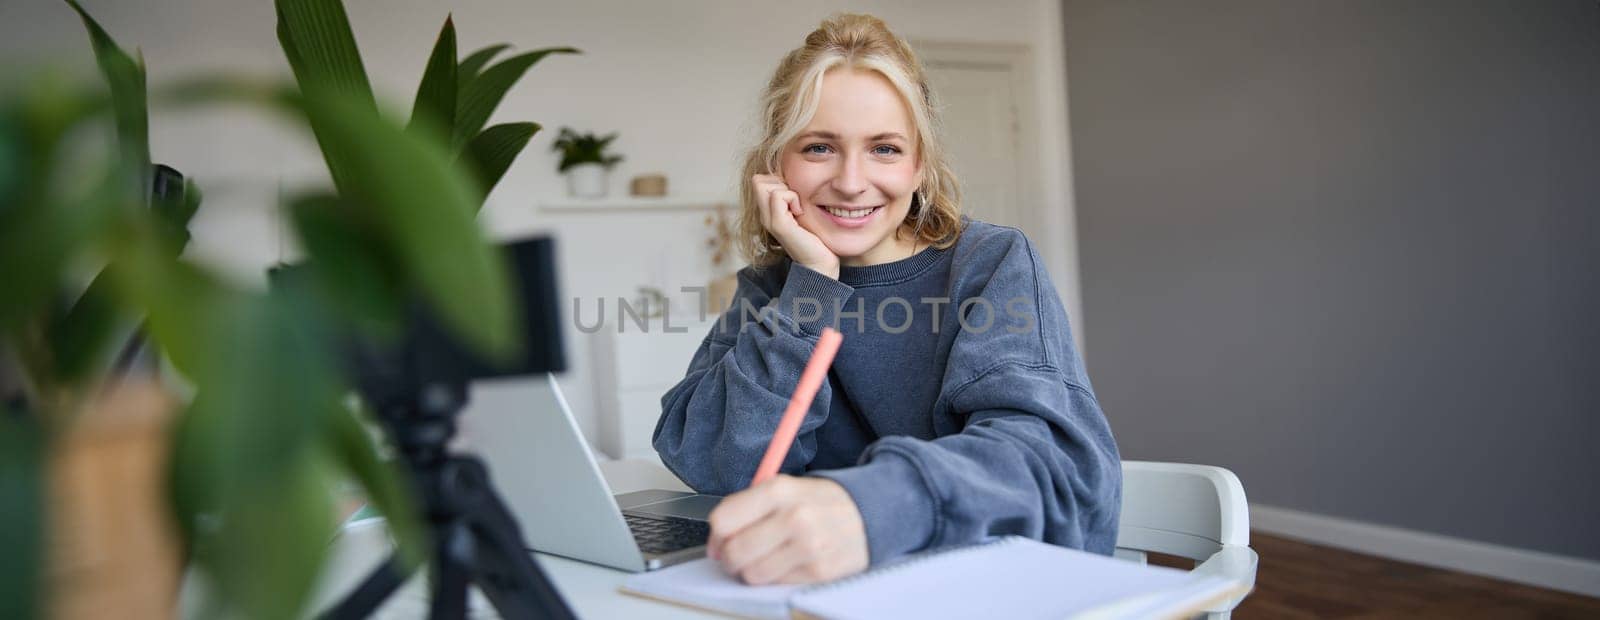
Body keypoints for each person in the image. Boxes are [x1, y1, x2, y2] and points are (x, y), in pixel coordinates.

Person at [653, 13, 1121, 586]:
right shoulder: (775, 288)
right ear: (777, 167)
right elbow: (717, 466)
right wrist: (813, 286)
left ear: (920, 165)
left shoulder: (989, 263)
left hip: (974, 587)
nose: (852, 182)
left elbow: (1047, 465)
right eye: (820, 147)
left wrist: (868, 507)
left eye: (885, 149)